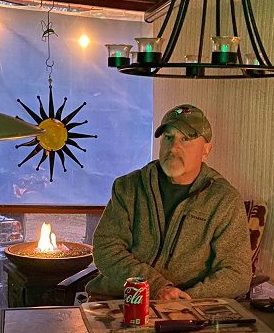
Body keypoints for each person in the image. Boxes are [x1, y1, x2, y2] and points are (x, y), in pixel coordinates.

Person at [85, 104, 252, 301]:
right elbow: (106, 248)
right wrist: (156, 287)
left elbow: (237, 273)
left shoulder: (223, 199)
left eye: (186, 139)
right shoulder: (128, 187)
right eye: (168, 137)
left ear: (206, 150)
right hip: (119, 299)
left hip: (191, 308)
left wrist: (187, 298)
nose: (174, 148)